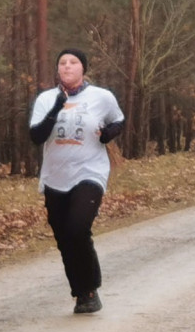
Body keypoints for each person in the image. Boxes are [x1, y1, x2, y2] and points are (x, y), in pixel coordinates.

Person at [29, 48, 124, 314]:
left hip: (89, 171)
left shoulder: (102, 97)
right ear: (57, 69)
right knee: (63, 237)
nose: (67, 66)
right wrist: (58, 106)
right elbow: (36, 136)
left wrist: (107, 135)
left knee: (77, 228)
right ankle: (81, 294)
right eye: (62, 63)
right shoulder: (46, 99)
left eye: (73, 62)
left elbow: (118, 120)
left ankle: (91, 287)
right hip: (55, 176)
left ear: (83, 68)